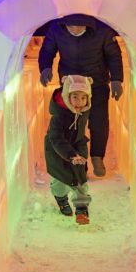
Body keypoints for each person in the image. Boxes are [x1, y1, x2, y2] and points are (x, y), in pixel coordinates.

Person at [39, 13, 124, 177]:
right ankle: (74, 160)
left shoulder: (103, 30)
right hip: (70, 84)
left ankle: (97, 156)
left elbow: (113, 55)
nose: (75, 30)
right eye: (71, 26)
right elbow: (47, 50)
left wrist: (116, 79)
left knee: (98, 121)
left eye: (79, 26)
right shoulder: (56, 29)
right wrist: (45, 68)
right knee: (71, 123)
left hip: (96, 82)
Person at [45, 75, 93, 225]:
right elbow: (56, 139)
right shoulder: (58, 117)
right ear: (67, 96)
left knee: (80, 180)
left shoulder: (82, 114)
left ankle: (81, 209)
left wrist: (81, 155)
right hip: (57, 153)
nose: (79, 102)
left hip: (75, 153)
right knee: (60, 182)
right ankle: (61, 199)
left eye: (83, 98)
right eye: (75, 97)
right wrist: (71, 154)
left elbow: (80, 136)